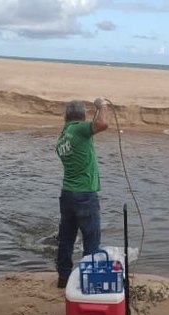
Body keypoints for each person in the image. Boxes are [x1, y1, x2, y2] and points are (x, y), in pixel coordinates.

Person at [55, 98, 110, 288]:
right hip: (85, 194)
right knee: (91, 238)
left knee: (66, 238)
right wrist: (102, 105)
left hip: (67, 194)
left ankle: (63, 278)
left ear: (65, 116)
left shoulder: (63, 136)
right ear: (81, 117)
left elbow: (93, 127)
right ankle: (90, 281)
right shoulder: (78, 129)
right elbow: (102, 123)